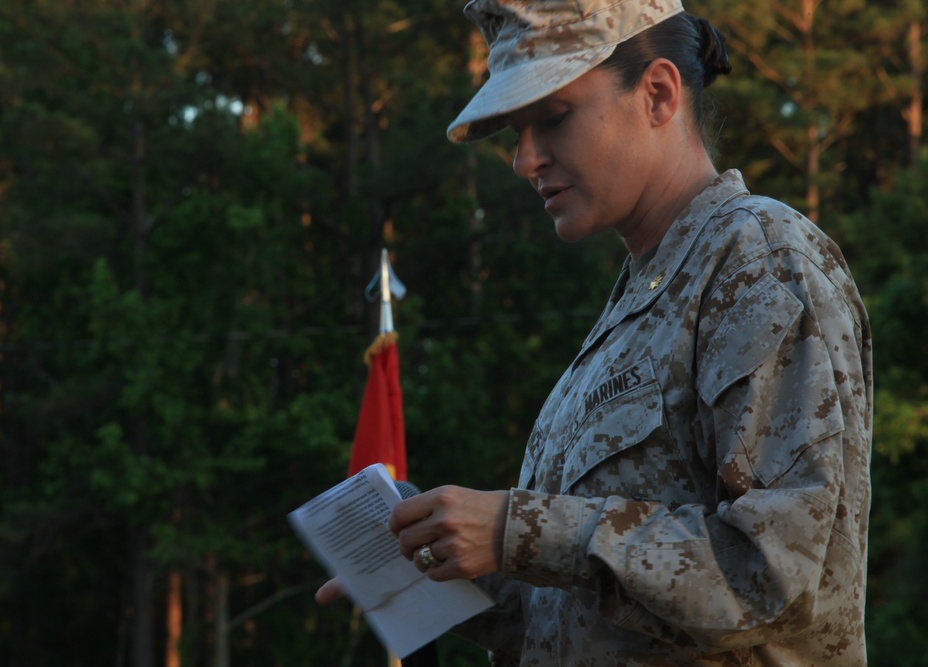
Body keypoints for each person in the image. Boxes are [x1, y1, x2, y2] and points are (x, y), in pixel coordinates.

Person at [318, 0, 874, 664]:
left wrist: (516, 530)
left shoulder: (759, 258)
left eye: (553, 117)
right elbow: (585, 613)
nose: (525, 159)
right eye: (515, 132)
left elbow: (773, 577)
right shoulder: (640, 300)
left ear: (659, 94)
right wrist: (437, 556)